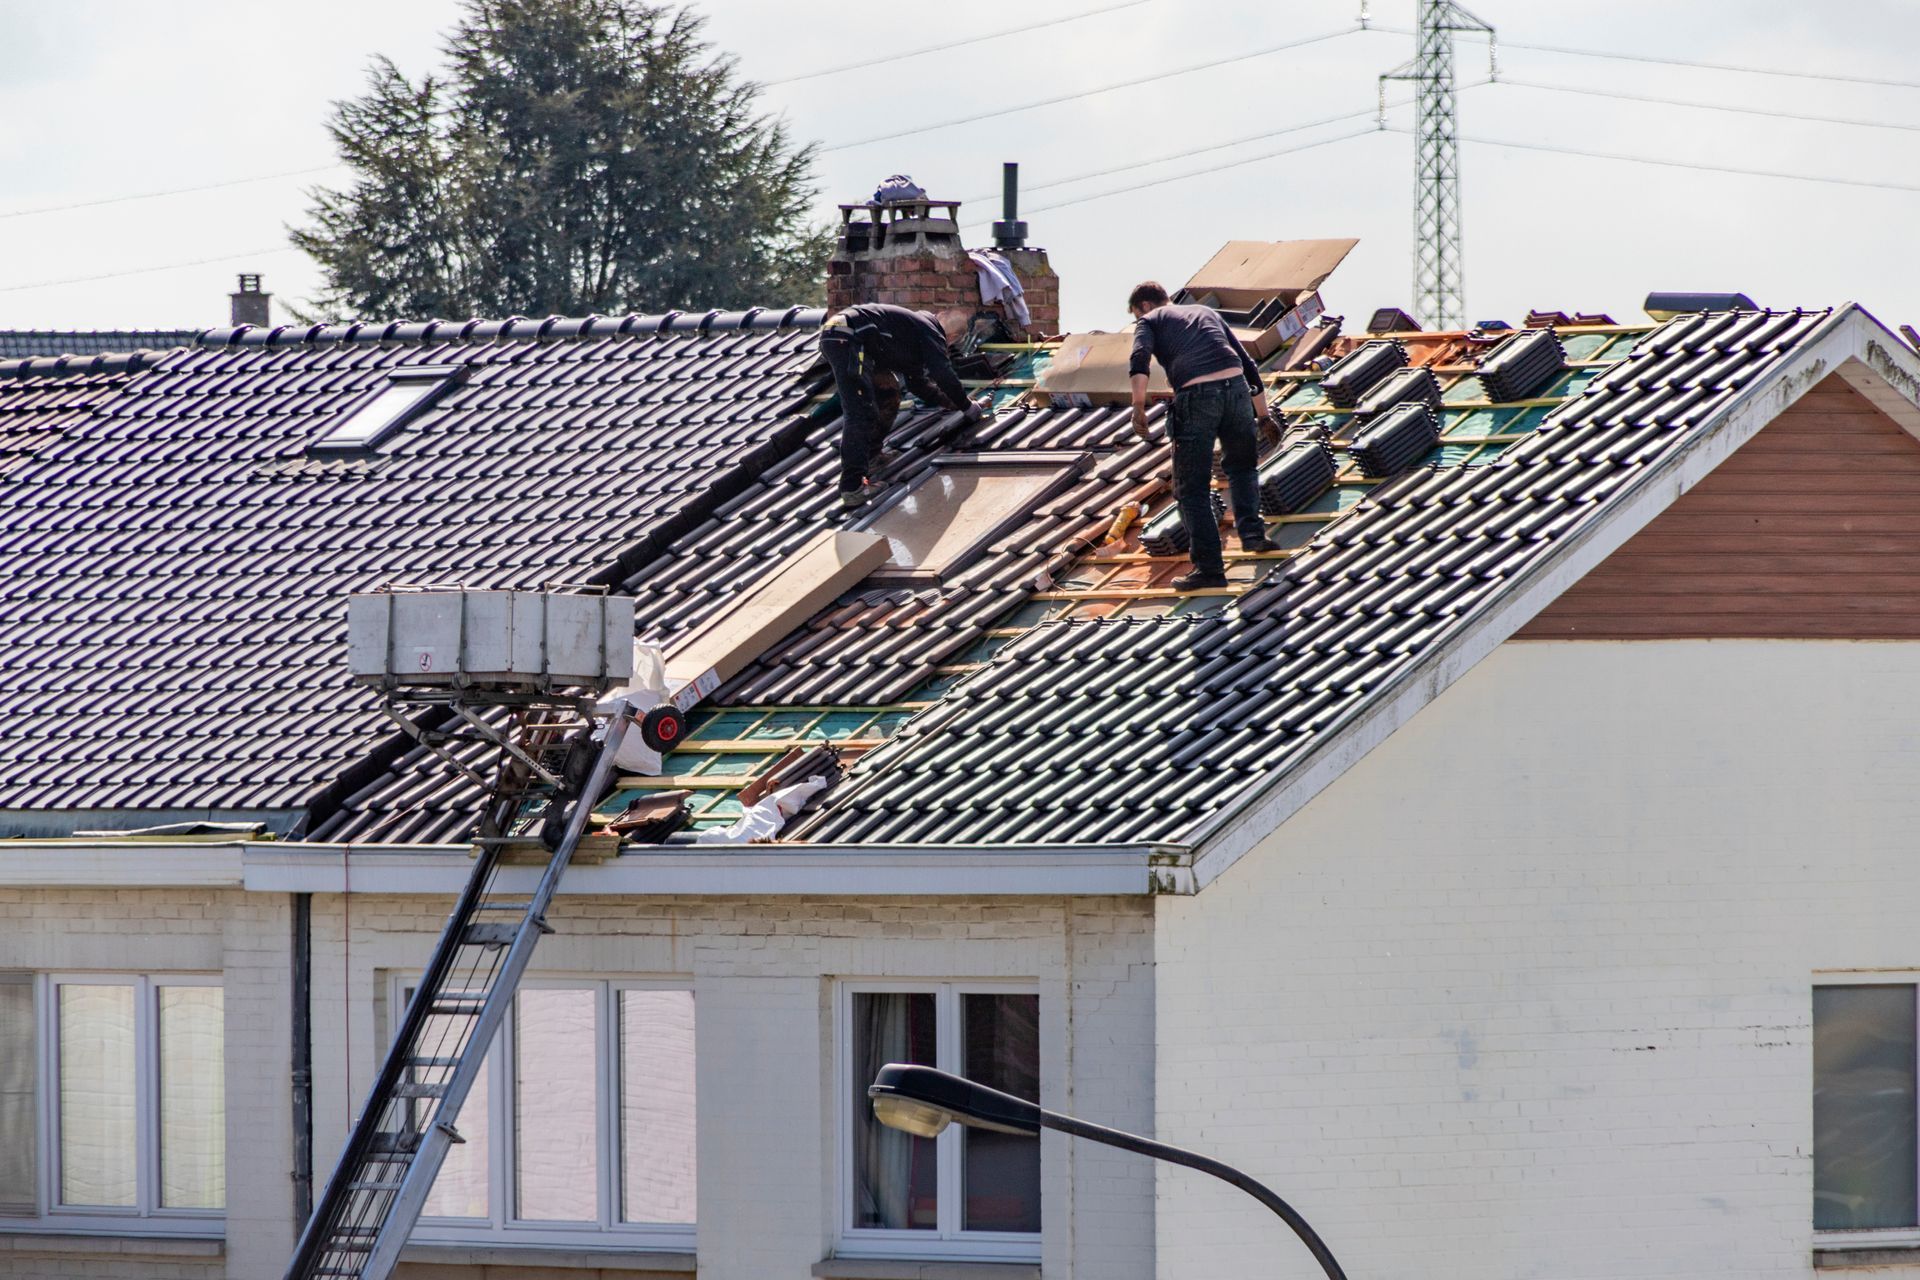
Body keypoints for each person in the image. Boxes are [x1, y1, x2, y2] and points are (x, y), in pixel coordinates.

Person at [1126, 280, 1278, 590]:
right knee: (1242, 467)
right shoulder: (1205, 312)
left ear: (1143, 306)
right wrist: (1263, 415)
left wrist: (1138, 407)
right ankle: (1252, 535)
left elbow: (1139, 359)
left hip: (1197, 395)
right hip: (1236, 391)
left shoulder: (1149, 320)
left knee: (1191, 488)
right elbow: (1247, 364)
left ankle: (1209, 568)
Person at [820, 303, 986, 507]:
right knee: (860, 411)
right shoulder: (930, 330)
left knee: (888, 392)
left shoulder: (909, 332)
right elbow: (942, 373)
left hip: (843, 334)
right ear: (951, 338)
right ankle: (852, 488)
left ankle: (872, 457)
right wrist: (968, 406)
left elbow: (918, 385)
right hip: (848, 338)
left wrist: (951, 403)